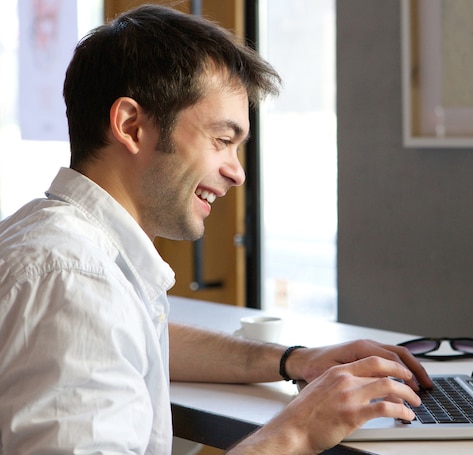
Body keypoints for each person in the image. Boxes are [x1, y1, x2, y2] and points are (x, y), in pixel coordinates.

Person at [0, 4, 432, 454]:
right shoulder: (74, 282)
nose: (237, 172)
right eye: (222, 141)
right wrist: (297, 431)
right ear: (131, 126)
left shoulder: (61, 245)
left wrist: (296, 361)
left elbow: (144, 342)